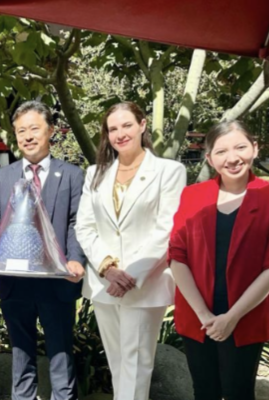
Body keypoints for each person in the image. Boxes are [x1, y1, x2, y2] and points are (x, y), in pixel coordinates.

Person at [75, 102, 186, 400]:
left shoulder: (169, 171)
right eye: (113, 128)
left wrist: (131, 275)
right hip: (105, 283)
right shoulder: (95, 173)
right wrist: (108, 268)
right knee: (118, 363)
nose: (120, 134)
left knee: (137, 364)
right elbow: (84, 226)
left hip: (145, 282)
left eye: (126, 125)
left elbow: (166, 228)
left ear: (142, 125)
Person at [0, 101, 85, 400]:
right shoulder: (4, 176)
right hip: (15, 282)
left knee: (61, 354)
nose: (27, 136)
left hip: (58, 281)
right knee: (20, 353)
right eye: (21, 131)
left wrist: (76, 259)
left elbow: (77, 223)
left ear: (50, 131)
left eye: (34, 129)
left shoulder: (72, 175)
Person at [169, 120, 269, 400]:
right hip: (197, 314)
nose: (232, 158)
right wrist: (204, 315)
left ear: (254, 148)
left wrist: (232, 317)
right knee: (204, 391)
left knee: (239, 392)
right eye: (221, 151)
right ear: (209, 158)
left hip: (246, 314)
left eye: (240, 147)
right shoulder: (192, 195)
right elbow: (177, 256)